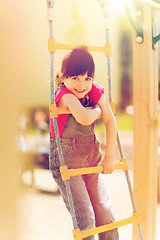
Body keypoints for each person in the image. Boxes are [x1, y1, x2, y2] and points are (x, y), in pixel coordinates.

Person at [49, 46, 119, 240]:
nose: (82, 84)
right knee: (85, 215)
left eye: (87, 78)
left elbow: (111, 120)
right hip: (66, 161)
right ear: (63, 77)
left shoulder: (93, 89)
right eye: (75, 78)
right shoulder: (64, 95)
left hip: (91, 158)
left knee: (105, 211)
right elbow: (84, 118)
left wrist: (110, 157)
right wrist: (98, 109)